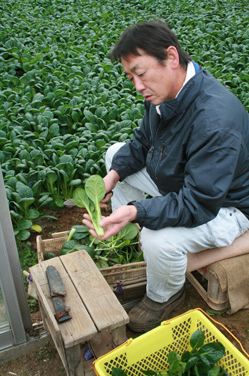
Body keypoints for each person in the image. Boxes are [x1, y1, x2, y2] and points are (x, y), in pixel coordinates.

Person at [82, 22, 249, 332]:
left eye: (141, 74)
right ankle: (124, 233)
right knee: (113, 156)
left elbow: (197, 204)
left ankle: (163, 296)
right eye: (130, 77)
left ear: (171, 57)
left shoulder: (215, 119)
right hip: (185, 181)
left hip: (225, 205)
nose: (137, 86)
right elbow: (142, 143)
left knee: (157, 239)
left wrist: (137, 212)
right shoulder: (166, 95)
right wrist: (112, 177)